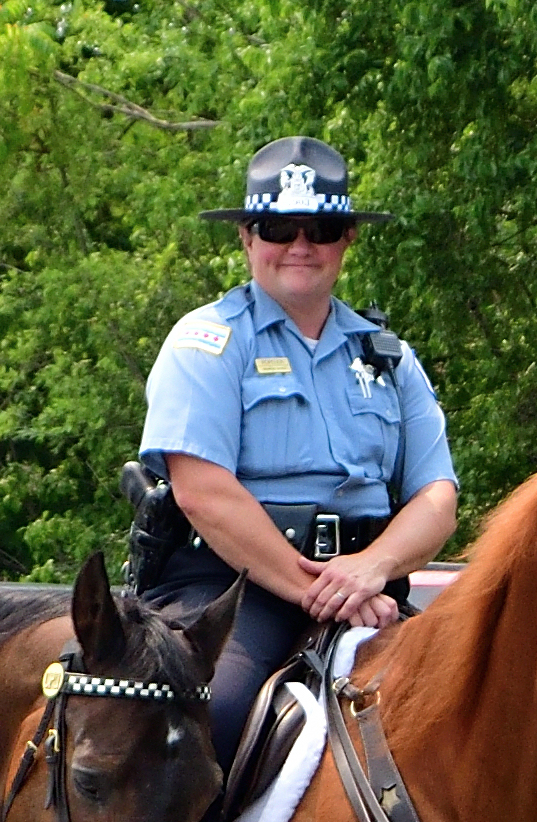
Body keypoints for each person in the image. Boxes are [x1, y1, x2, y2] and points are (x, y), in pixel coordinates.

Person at [137, 136, 459, 759]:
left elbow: (436, 497)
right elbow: (203, 492)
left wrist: (372, 568)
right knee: (206, 724)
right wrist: (319, 590)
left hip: (371, 589)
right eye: (280, 227)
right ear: (247, 238)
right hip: (234, 591)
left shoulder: (388, 357)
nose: (301, 244)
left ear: (348, 238)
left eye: (323, 226)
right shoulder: (207, 341)